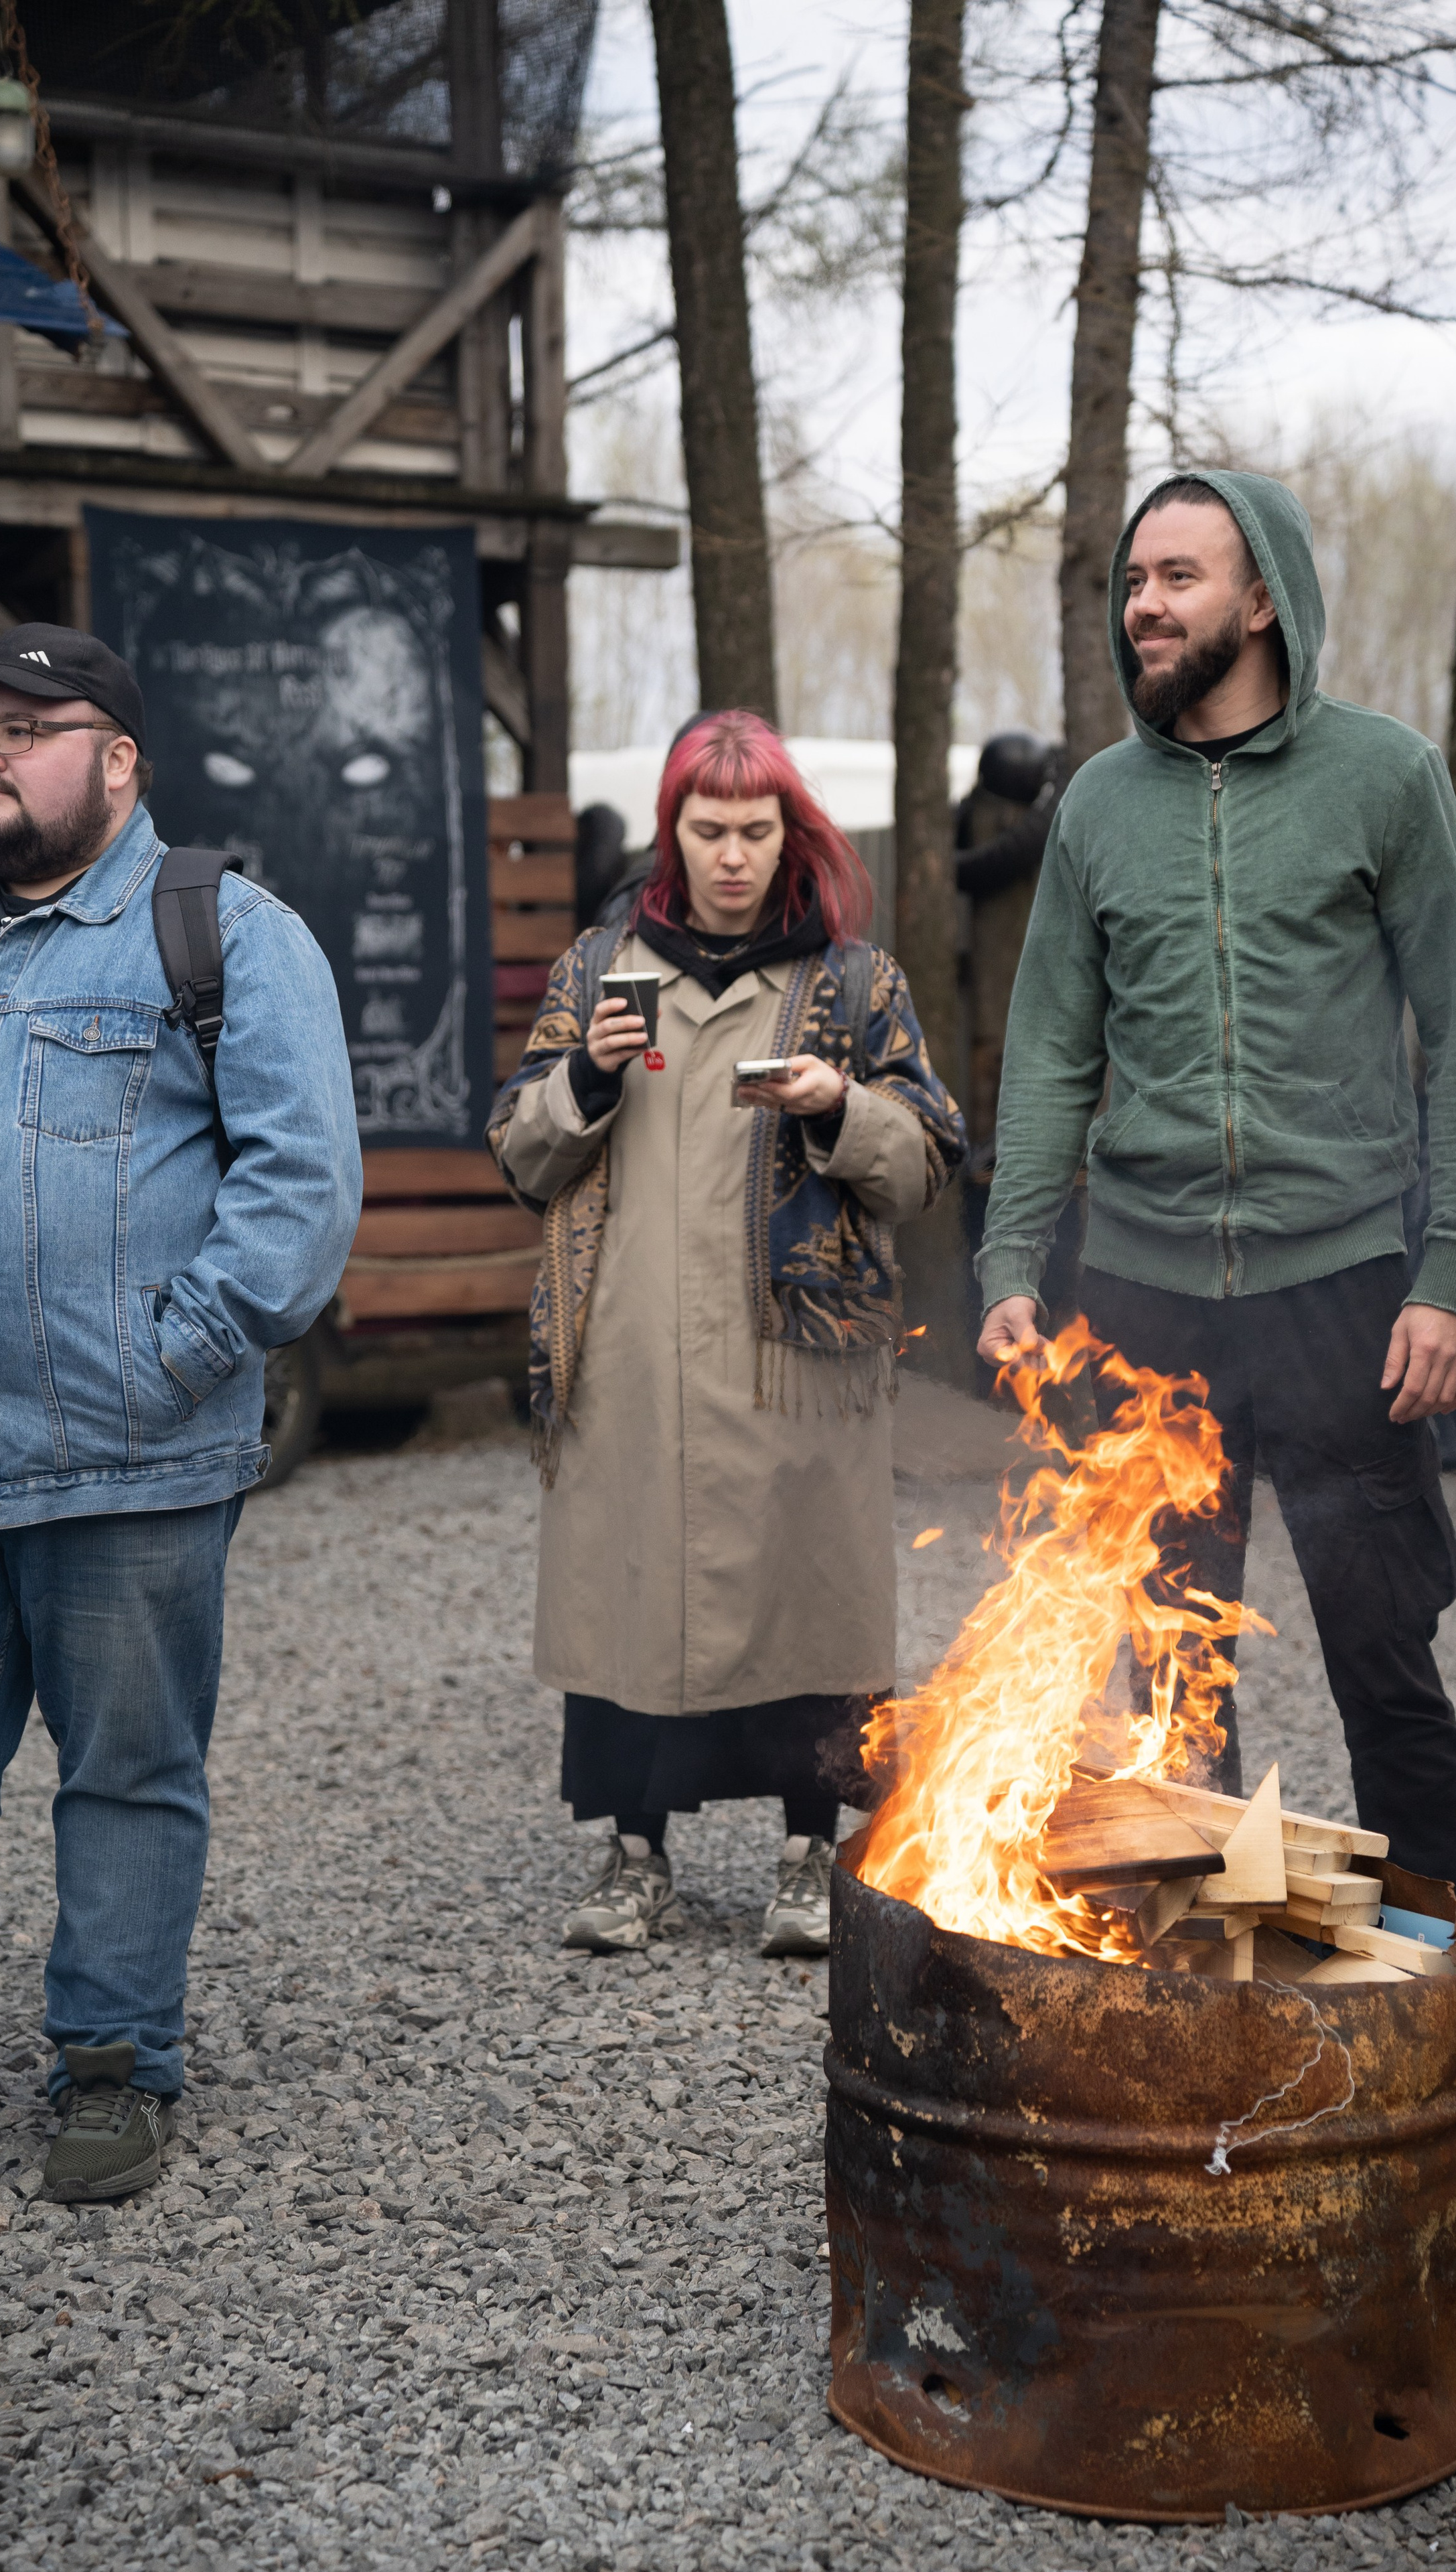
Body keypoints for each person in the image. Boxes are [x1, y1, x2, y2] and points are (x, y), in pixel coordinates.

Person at [976, 472, 1456, 2160]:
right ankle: (1232, 2008)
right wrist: (1013, 1262)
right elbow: (1050, 1056)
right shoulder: (1096, 807)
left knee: (1389, 1667)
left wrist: (1455, 1266)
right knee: (1176, 1684)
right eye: (1128, 580)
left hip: (1342, 1291)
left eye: (1176, 576)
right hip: (1146, 1302)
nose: (1140, 603)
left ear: (1260, 600)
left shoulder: (1381, 777)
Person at [0, 624, 361, 2200]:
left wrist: (172, 1360)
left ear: (119, 759)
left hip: (130, 1460)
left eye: (26, 727)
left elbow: (301, 1193)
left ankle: (112, 2065)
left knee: (124, 1772)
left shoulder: (231, 938)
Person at [490, 711, 965, 1958]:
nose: (734, 856)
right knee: (626, 1600)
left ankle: (813, 1851)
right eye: (710, 830)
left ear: (791, 833)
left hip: (796, 1365)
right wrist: (587, 1080)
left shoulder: (856, 984)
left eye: (758, 830)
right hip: (631, 1357)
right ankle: (633, 1852)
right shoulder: (601, 970)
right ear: (674, 831)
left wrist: (841, 1105)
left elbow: (928, 1162)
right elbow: (520, 1154)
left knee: (812, 1602)